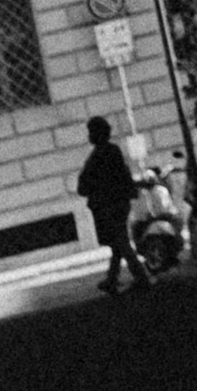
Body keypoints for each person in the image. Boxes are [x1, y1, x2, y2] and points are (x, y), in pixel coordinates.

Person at [75, 118, 138, 297]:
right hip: (117, 203)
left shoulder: (100, 155)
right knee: (117, 244)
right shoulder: (111, 151)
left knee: (121, 243)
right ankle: (112, 278)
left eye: (91, 132)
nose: (89, 136)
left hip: (109, 205)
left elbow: (86, 183)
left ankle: (141, 277)